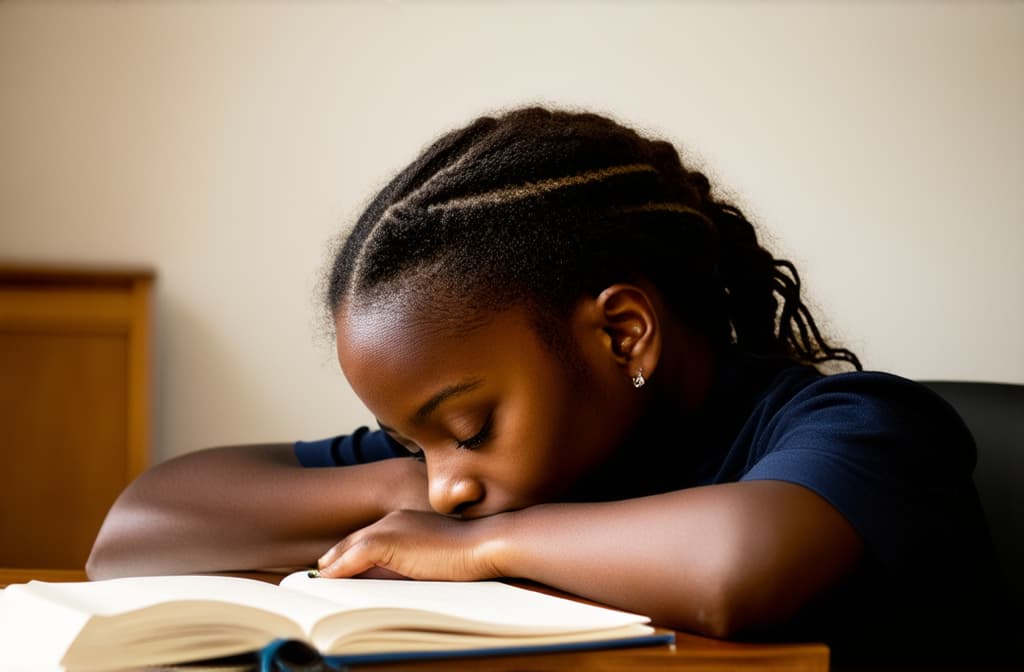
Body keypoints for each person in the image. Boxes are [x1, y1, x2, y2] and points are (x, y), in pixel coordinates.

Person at [87, 107, 1004, 663]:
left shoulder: (863, 427)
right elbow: (132, 536)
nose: (452, 480)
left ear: (621, 331)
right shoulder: (520, 464)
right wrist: (415, 489)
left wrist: (484, 544)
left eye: (471, 428)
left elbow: (739, 570)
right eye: (418, 441)